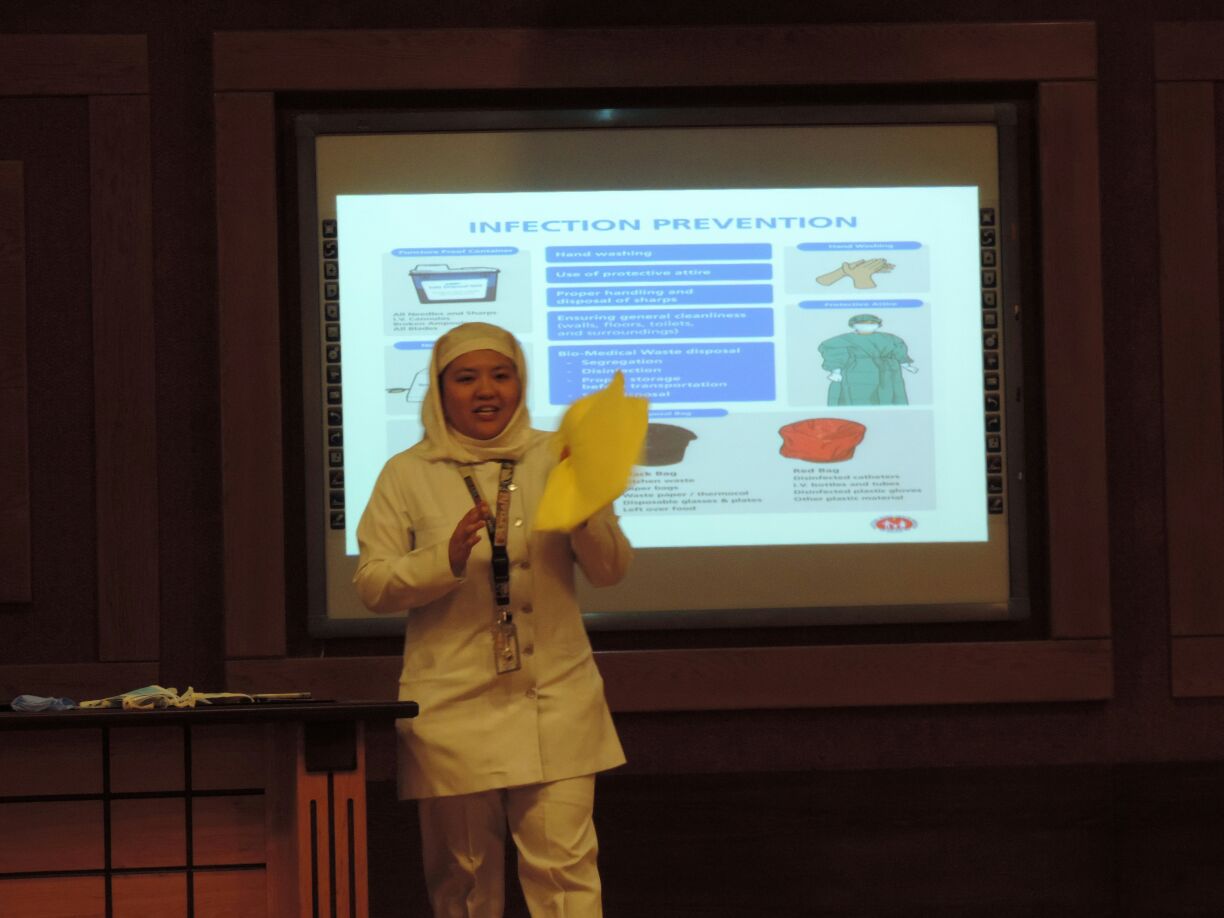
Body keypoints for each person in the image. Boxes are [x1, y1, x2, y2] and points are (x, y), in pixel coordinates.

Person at [354, 322, 631, 918]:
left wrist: (586, 508)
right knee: (464, 880)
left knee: (565, 875)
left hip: (556, 697)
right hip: (452, 707)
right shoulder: (407, 472)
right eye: (466, 378)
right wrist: (445, 560)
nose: (486, 390)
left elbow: (610, 569)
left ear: (520, 384)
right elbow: (373, 584)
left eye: (501, 375)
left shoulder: (559, 456)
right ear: (440, 389)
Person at [817, 313, 917, 406]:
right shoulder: (844, 339)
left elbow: (898, 352)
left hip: (886, 370)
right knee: (856, 396)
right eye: (862, 324)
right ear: (853, 325)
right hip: (855, 370)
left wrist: (906, 365)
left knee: (886, 395)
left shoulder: (890, 338)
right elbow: (835, 353)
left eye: (871, 323)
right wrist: (836, 371)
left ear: (878, 325)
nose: (866, 326)